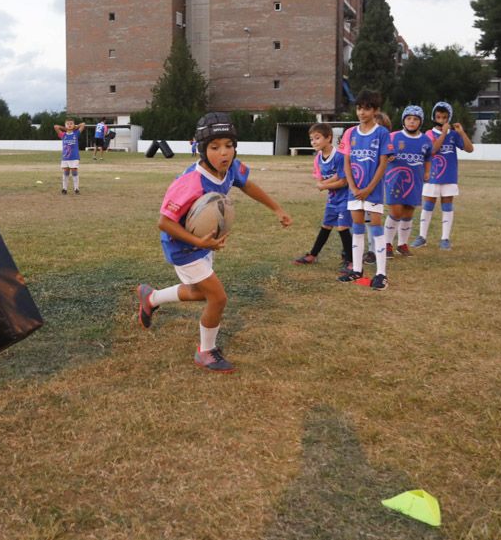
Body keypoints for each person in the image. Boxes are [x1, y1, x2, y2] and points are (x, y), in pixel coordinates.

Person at [135, 113, 292, 373]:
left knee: (199, 293)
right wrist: (198, 241)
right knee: (217, 298)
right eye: (215, 147)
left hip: (203, 243)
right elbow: (164, 222)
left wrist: (276, 208)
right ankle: (205, 351)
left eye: (229, 145)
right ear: (201, 149)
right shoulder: (191, 182)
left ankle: (150, 298)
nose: (224, 153)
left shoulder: (230, 169)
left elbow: (247, 185)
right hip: (183, 247)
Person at [337, 90, 394, 289]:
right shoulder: (350, 133)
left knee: (376, 229)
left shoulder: (382, 133)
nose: (362, 112)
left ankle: (381, 274)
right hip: (355, 189)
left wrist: (369, 188)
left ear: (375, 110)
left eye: (367, 108)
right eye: (359, 108)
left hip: (373, 191)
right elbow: (346, 162)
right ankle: (357, 269)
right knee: (357, 227)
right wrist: (352, 186)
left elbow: (383, 163)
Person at [411, 101, 474, 250]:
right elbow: (432, 150)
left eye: (444, 117)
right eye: (438, 117)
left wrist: (461, 133)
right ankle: (422, 236)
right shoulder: (429, 133)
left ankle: (445, 238)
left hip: (449, 176)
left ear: (449, 118)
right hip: (432, 176)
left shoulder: (454, 134)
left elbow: (470, 149)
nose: (441, 120)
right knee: (428, 205)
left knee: (447, 206)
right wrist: (444, 132)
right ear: (434, 117)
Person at [293, 123, 352, 271]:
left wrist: (324, 185)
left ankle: (350, 260)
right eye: (311, 139)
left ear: (329, 138)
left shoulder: (339, 157)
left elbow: (343, 181)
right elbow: (319, 178)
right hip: (332, 199)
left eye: (317, 138)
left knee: (342, 227)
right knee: (326, 226)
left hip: (345, 198)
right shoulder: (318, 158)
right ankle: (313, 255)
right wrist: (324, 183)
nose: (313, 142)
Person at [383, 106, 433, 257]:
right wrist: (387, 157)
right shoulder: (393, 137)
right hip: (395, 180)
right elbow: (382, 154)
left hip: (415, 181)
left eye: (416, 119)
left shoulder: (425, 140)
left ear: (420, 122)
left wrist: (427, 171)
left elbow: (428, 157)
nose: (412, 122)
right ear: (404, 120)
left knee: (408, 212)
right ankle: (386, 244)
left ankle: (402, 245)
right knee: (396, 212)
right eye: (409, 118)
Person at [54, 118, 86, 194]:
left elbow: (83, 124)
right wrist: (65, 128)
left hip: (74, 157)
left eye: (71, 123)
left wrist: (75, 127)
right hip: (65, 157)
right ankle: (64, 189)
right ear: (65, 125)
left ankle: (76, 189)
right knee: (66, 172)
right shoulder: (63, 135)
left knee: (74, 172)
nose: (69, 125)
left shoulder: (76, 133)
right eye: (68, 124)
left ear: (73, 125)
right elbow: (56, 127)